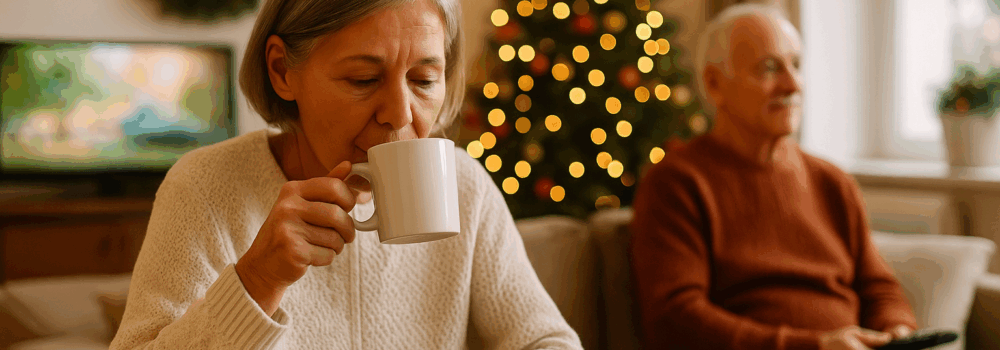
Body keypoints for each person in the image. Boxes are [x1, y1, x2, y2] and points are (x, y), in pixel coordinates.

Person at [109, 0, 582, 348]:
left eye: (423, 80)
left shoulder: (464, 186)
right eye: (363, 79)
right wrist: (256, 281)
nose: (399, 113)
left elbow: (544, 339)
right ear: (281, 70)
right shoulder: (207, 187)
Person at [629, 4, 917, 350]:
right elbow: (675, 320)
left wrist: (896, 330)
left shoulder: (832, 181)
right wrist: (815, 346)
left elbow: (879, 289)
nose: (792, 83)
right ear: (715, 84)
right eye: (769, 68)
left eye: (796, 65)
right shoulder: (677, 183)